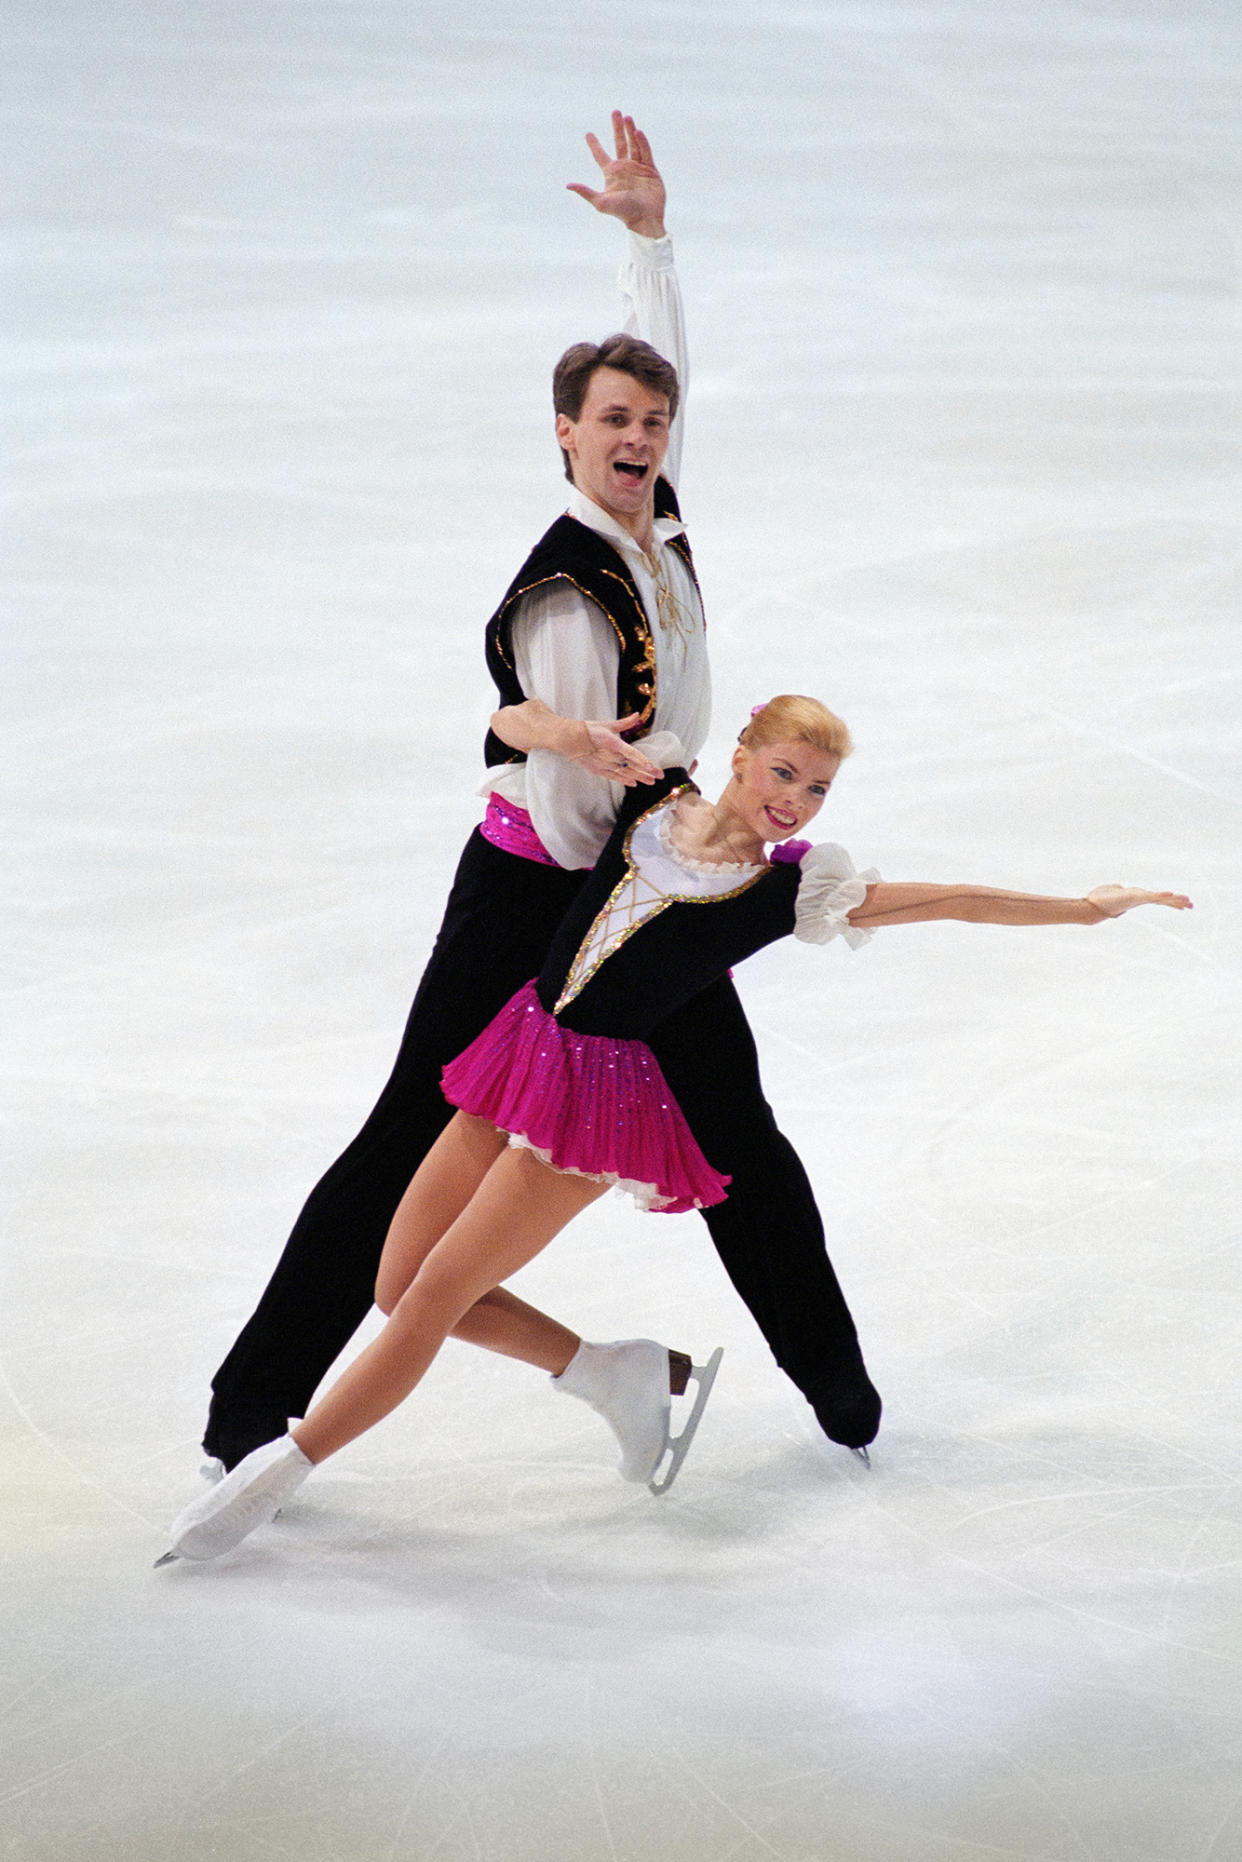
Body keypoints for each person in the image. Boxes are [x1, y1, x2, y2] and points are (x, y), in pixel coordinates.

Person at [200, 113, 884, 1486]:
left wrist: (647, 241)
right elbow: (562, 784)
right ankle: (248, 1408)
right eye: (610, 423)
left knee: (738, 1137)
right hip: (547, 892)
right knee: (407, 1135)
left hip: (647, 877)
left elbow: (659, 370)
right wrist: (647, 870)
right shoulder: (570, 588)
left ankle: (843, 1397)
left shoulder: (656, 515)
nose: (637, 437)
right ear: (561, 438)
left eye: (650, 423)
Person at [161, 694, 1191, 1563]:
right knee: (396, 1281)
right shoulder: (653, 792)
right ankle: (620, 1371)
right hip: (520, 1046)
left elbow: (956, 897)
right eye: (782, 771)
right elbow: (507, 716)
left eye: (816, 789)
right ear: (739, 755)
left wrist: (1087, 907)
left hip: (592, 1105)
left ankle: (272, 1478)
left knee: (429, 1297)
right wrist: (560, 731)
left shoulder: (786, 889)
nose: (793, 799)